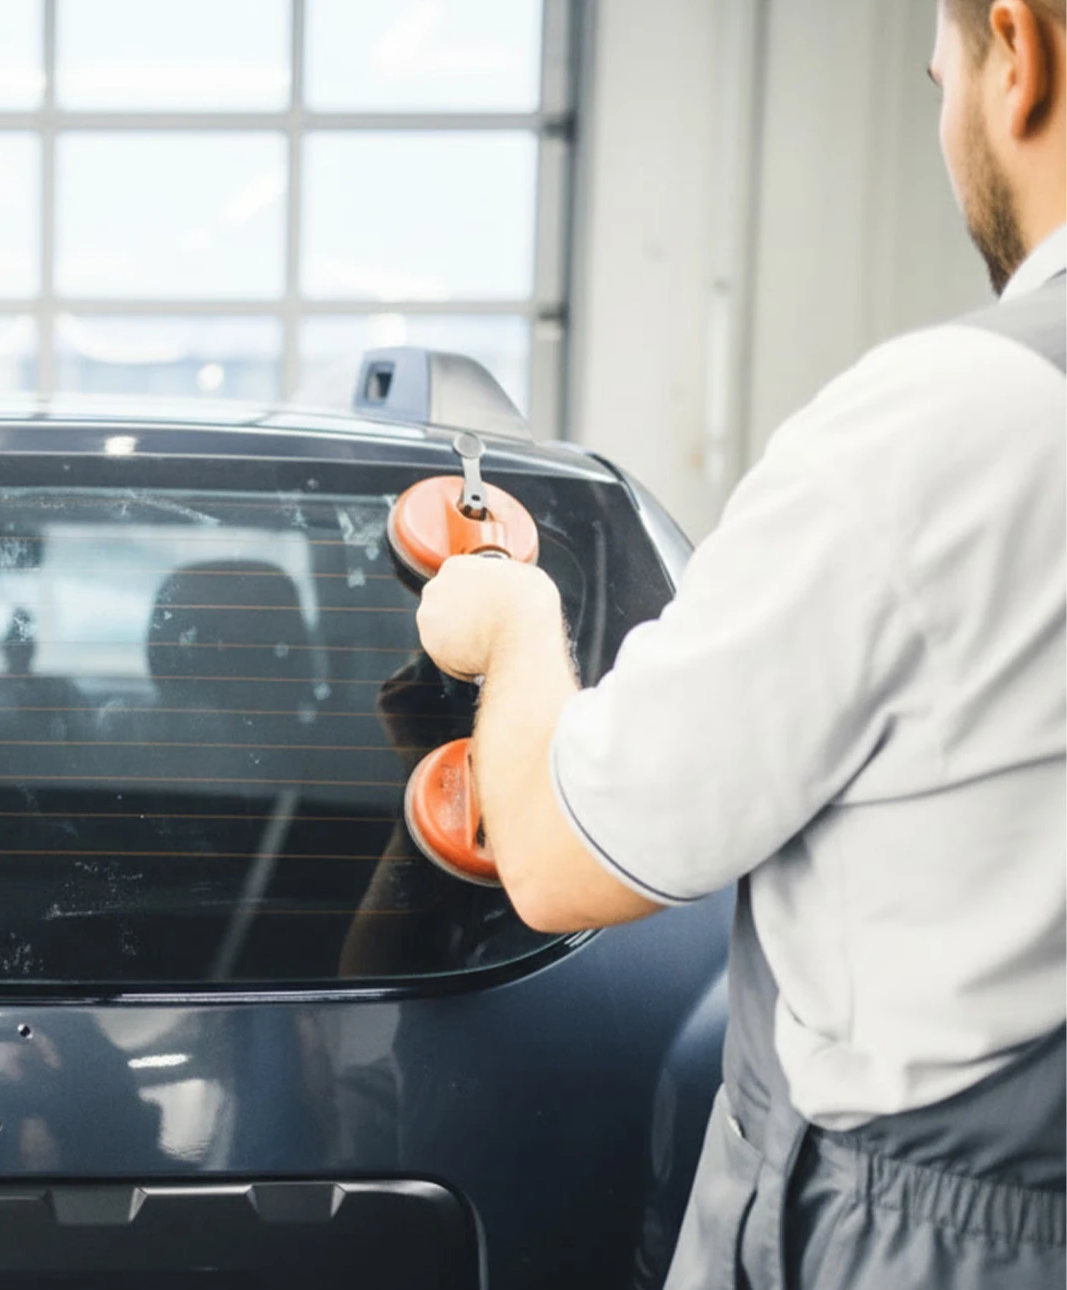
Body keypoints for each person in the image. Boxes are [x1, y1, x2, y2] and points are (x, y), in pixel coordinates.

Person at [413, 1, 1064, 1285]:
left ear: (1018, 58)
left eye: (941, 79)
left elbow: (549, 858)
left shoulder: (954, 422)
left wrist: (512, 622)